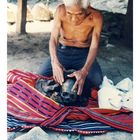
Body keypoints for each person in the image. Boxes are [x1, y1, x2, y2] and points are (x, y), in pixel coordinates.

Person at [38, 0, 103, 99]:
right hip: (62, 51)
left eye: (79, 14)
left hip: (83, 54)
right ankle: (69, 74)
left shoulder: (96, 16)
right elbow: (54, 38)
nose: (74, 19)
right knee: (41, 75)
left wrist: (84, 71)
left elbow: (94, 46)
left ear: (87, 9)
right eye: (69, 13)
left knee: (97, 81)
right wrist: (54, 62)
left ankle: (72, 74)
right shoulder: (60, 11)